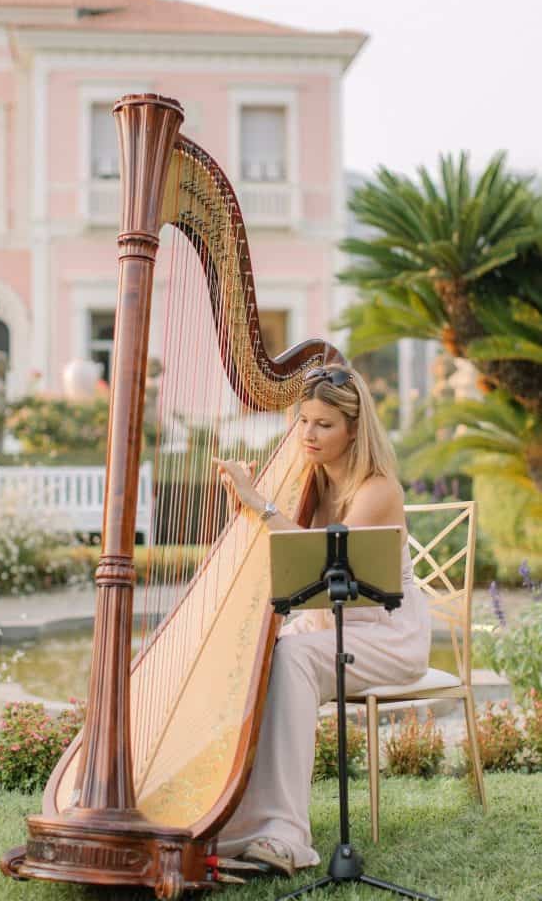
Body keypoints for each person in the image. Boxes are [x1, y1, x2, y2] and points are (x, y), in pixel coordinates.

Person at [213, 363, 432, 876]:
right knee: (252, 660)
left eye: (324, 425)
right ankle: (225, 811)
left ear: (353, 429)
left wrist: (259, 505)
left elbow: (321, 565)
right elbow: (278, 563)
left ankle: (285, 835)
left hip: (385, 637)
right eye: (303, 421)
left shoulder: (378, 490)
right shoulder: (306, 482)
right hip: (327, 632)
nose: (308, 434)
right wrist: (241, 506)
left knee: (289, 656)